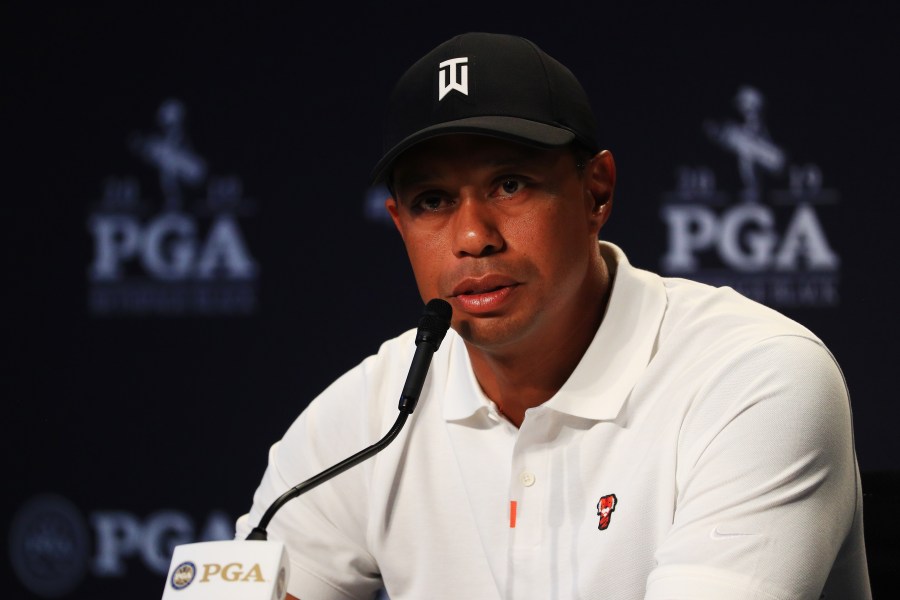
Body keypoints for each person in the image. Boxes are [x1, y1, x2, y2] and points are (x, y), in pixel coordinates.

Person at [236, 32, 871, 599]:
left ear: (597, 191)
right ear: (399, 224)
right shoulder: (370, 417)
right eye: (433, 201)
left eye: (509, 185)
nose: (473, 236)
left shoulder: (753, 376)